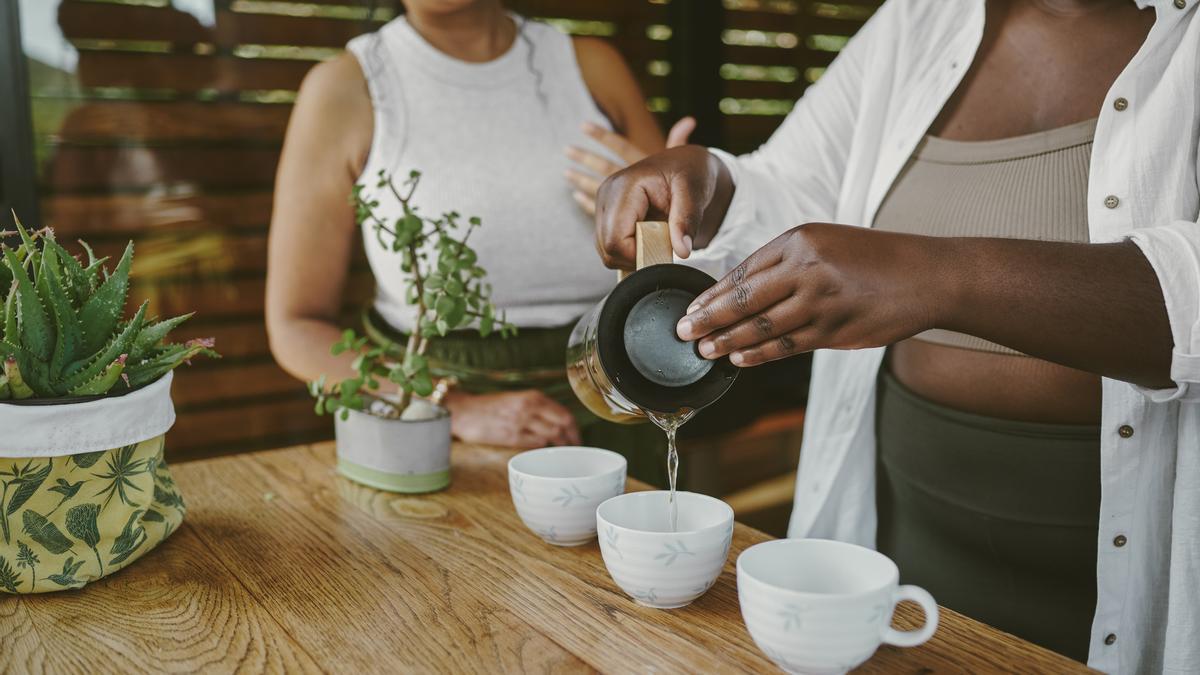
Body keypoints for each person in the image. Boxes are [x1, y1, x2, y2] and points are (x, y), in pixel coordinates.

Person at [594, 0, 1199, 671]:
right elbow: (795, 178)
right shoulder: (920, 20)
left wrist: (940, 276)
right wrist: (713, 178)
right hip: (907, 545)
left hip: (1141, 568)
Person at [265, 0, 693, 483]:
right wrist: (455, 408)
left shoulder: (593, 67)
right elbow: (295, 326)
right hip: (435, 440)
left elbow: (673, 266)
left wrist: (658, 222)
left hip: (616, 410)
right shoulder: (347, 88)